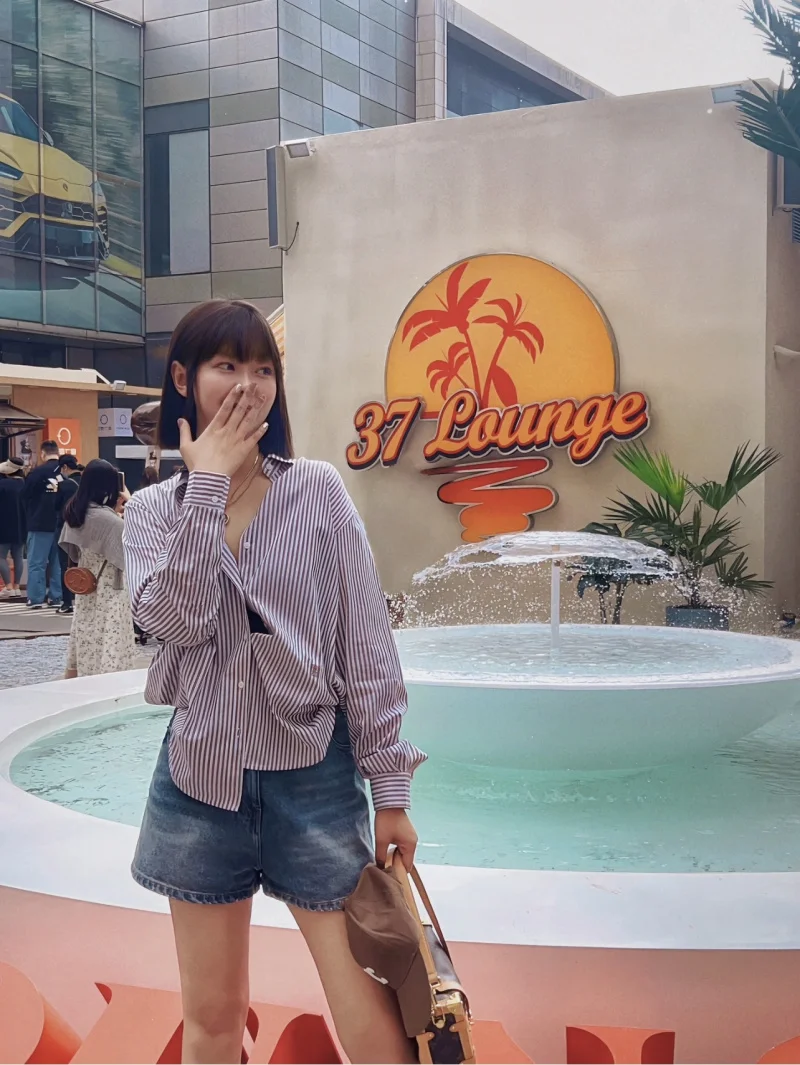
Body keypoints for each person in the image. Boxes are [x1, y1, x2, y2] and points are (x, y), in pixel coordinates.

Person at [122, 299, 424, 1065]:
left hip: (312, 774)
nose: (249, 385)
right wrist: (207, 489)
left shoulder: (316, 491)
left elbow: (366, 643)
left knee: (368, 1007)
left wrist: (390, 790)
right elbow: (175, 620)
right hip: (200, 779)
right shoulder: (153, 511)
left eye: (264, 368)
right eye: (227, 365)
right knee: (212, 1017)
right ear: (184, 379)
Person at [60, 459, 136, 678]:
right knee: (111, 638)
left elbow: (74, 553)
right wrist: (130, 502)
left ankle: (82, 677)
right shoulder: (112, 522)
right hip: (111, 587)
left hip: (86, 586)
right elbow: (134, 547)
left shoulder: (75, 513)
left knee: (86, 634)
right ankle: (108, 682)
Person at [22, 442, 77, 609]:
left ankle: (35, 598)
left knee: (37, 563)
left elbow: (24, 495)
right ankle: (56, 596)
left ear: (42, 453)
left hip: (39, 522)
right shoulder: (64, 473)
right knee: (57, 563)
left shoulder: (36, 473)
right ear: (57, 452)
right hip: (60, 524)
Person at [54, 461, 84, 616]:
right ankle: (82, 600)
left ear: (65, 467)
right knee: (83, 565)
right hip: (84, 529)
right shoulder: (85, 484)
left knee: (66, 565)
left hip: (65, 529)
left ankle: (67, 602)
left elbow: (56, 506)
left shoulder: (64, 485)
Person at [0, 458, 26, 598]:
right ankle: (17, 587)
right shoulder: (25, 485)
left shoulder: (2, 485)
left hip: (3, 525)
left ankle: (8, 586)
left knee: (1, 556)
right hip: (21, 526)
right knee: (18, 557)